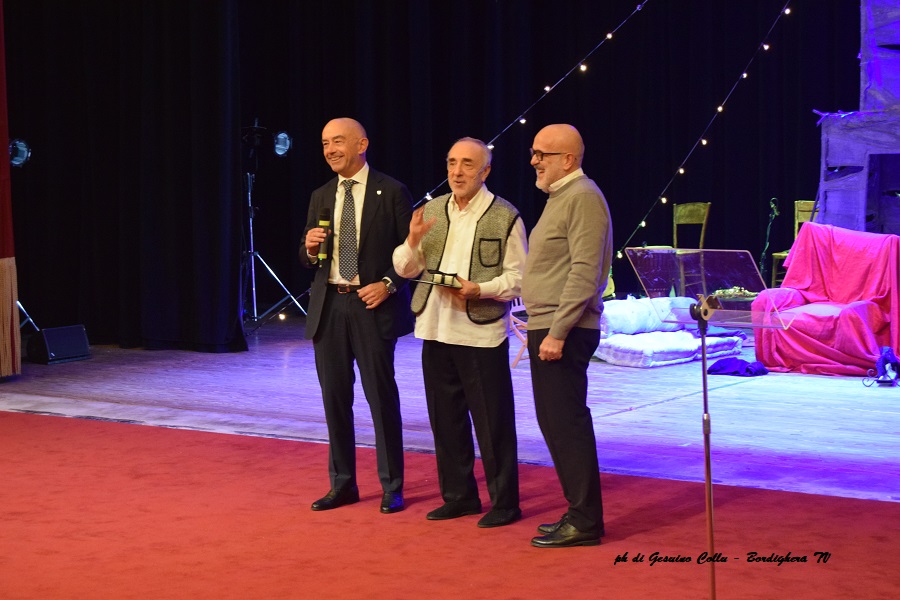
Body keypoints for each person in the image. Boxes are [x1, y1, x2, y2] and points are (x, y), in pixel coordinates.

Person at [392, 137, 526, 528]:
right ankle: (459, 496)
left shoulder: (505, 216)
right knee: (445, 419)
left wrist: (479, 289)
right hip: (435, 328)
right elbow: (405, 268)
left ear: (485, 171)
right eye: (452, 162)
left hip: (480, 334)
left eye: (467, 164)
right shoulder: (432, 210)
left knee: (492, 422)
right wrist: (412, 240)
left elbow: (519, 278)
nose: (457, 171)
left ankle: (505, 503)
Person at [301, 117, 415, 514]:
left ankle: (392, 486)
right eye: (324, 143)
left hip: (372, 306)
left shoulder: (392, 191)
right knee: (335, 399)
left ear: (361, 144)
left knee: (381, 399)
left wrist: (388, 283)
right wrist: (309, 248)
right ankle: (342, 484)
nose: (330, 150)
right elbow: (308, 256)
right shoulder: (321, 194)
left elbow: (413, 253)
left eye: (337, 142)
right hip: (330, 306)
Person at [521, 124, 613, 547]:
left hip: (566, 328)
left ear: (569, 160)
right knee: (554, 423)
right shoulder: (563, 197)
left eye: (542, 154)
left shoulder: (583, 197)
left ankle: (585, 521)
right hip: (550, 324)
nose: (534, 160)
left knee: (566, 423)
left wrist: (557, 332)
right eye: (534, 152)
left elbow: (584, 272)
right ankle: (577, 512)